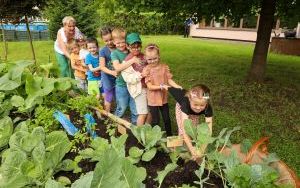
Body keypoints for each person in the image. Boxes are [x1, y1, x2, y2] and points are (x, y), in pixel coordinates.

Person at [142, 43, 182, 136]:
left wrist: (177, 86)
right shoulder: (146, 70)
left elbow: (169, 80)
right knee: (155, 121)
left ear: (158, 56)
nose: (152, 61)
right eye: (149, 59)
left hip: (163, 99)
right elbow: (149, 86)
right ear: (145, 58)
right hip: (153, 100)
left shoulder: (164, 67)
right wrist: (161, 86)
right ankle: (155, 138)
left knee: (167, 119)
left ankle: (170, 137)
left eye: (154, 58)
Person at [169, 84, 213, 159]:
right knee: (182, 132)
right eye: (196, 104)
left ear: (206, 103)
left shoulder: (207, 107)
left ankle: (189, 147)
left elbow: (209, 130)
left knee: (193, 130)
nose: (198, 108)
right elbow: (184, 128)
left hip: (193, 112)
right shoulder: (185, 104)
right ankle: (172, 148)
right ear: (190, 100)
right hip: (181, 108)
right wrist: (192, 149)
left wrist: (202, 150)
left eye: (202, 105)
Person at [121, 32, 150, 126]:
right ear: (128, 47)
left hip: (149, 87)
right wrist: (141, 75)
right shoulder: (127, 61)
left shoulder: (145, 56)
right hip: (139, 90)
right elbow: (128, 78)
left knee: (151, 111)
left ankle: (148, 131)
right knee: (143, 113)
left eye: (138, 46)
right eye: (133, 47)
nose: (136, 49)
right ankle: (139, 135)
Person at [111, 28, 139, 124]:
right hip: (121, 85)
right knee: (122, 107)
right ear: (114, 42)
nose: (121, 45)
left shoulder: (130, 51)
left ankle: (135, 127)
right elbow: (117, 67)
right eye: (118, 43)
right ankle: (114, 123)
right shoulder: (114, 53)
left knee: (135, 108)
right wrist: (132, 61)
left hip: (133, 84)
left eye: (123, 42)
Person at [99, 27, 118, 112]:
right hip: (107, 76)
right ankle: (107, 114)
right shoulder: (103, 51)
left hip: (118, 75)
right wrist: (112, 72)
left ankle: (118, 112)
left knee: (118, 94)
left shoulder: (119, 47)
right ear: (103, 40)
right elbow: (102, 67)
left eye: (111, 39)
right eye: (106, 41)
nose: (109, 42)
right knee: (108, 95)